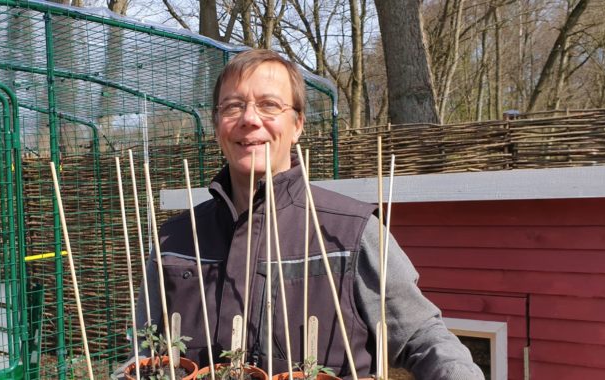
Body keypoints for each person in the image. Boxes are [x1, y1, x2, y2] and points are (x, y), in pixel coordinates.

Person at [131, 49, 483, 380]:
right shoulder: (176, 239)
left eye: (269, 105)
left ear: (298, 124)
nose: (250, 119)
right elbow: (142, 356)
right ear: (217, 124)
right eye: (233, 106)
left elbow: (422, 336)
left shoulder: (350, 233)